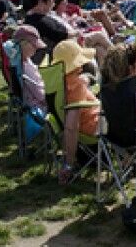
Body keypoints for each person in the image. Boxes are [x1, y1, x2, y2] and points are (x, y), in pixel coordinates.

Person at [51, 40, 101, 184]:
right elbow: (71, 126)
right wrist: (69, 164)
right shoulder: (76, 85)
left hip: (89, 120)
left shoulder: (60, 81)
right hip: (94, 126)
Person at [12, 26, 47, 111]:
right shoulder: (25, 68)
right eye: (34, 45)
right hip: (39, 107)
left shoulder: (19, 60)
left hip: (32, 101)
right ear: (23, 44)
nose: (36, 48)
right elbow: (41, 96)